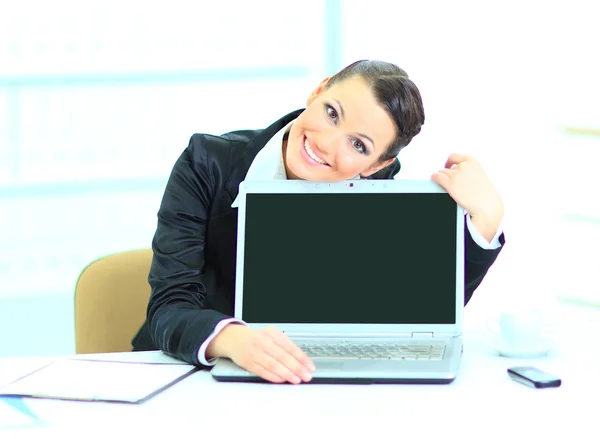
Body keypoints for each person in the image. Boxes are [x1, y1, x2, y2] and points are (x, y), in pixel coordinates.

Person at [131, 60, 505, 385]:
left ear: (376, 166)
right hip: (194, 377)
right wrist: (232, 339)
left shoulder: (375, 190)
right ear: (318, 91)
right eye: (331, 113)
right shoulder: (207, 163)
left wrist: (485, 222)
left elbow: (418, 312)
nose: (327, 143)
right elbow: (169, 307)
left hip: (304, 381)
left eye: (358, 145)